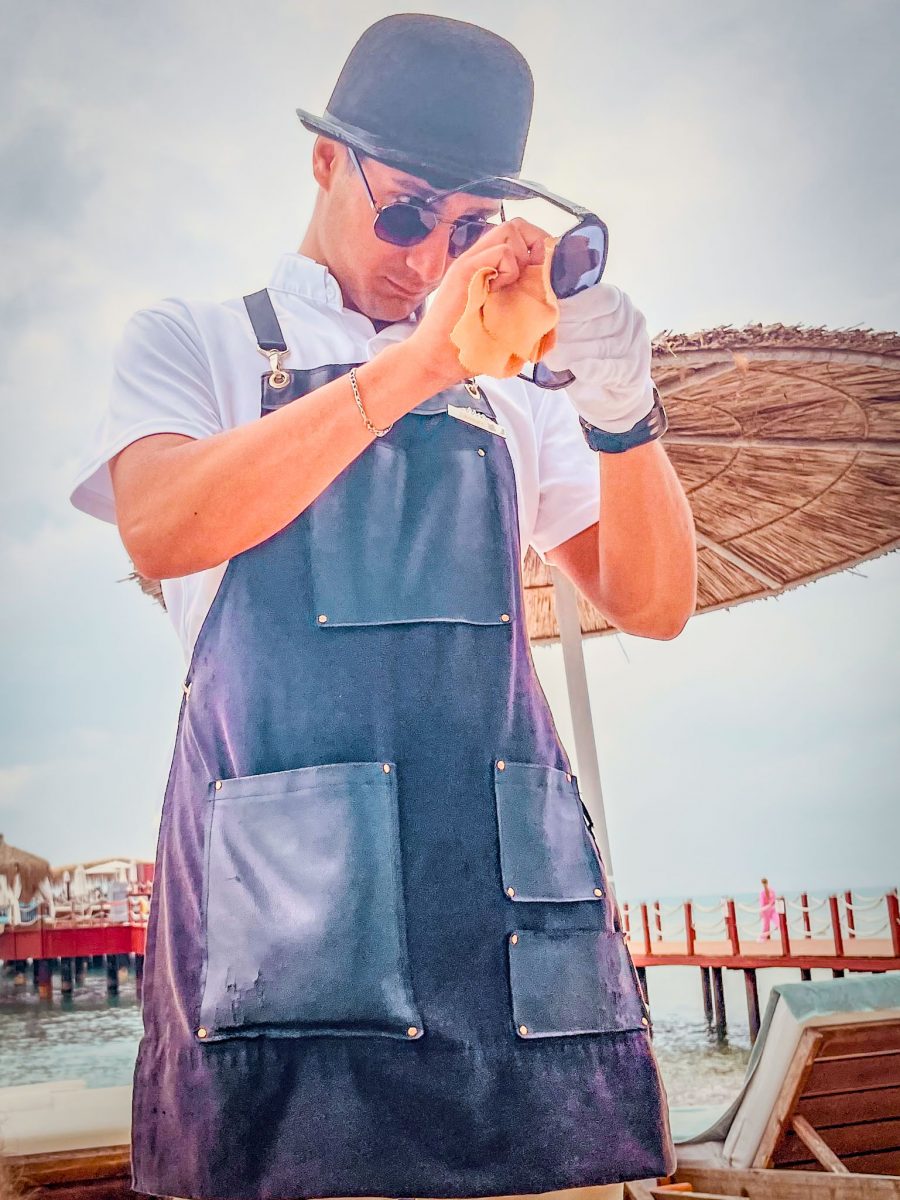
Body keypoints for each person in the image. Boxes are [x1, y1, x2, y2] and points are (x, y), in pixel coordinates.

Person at [69, 14, 696, 1200]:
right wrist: (417, 364)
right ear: (325, 162)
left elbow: (654, 602)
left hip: (506, 940)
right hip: (286, 940)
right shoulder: (196, 342)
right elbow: (162, 522)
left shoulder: (516, 391)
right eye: (406, 213)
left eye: (465, 231)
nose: (426, 263)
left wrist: (624, 417)